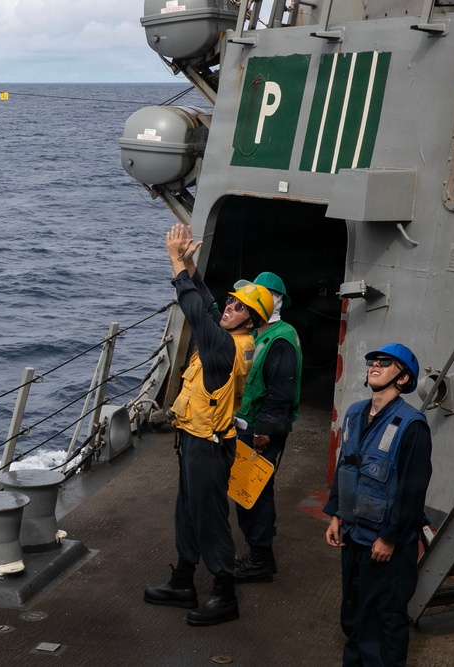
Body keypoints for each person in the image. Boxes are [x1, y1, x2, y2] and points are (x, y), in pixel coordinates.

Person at [143, 223, 272, 626]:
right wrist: (192, 266)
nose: (228, 308)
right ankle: (183, 580)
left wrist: (175, 264)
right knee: (188, 510)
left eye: (238, 307)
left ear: (249, 322)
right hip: (196, 438)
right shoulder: (233, 336)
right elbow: (210, 303)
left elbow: (196, 311)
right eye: (232, 303)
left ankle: (224, 593)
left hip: (208, 446)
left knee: (210, 518)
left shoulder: (222, 346)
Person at [324, 343, 432, 667]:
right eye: (373, 360)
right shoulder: (355, 413)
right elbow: (346, 466)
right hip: (354, 534)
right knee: (354, 611)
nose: (375, 365)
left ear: (402, 379)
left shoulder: (412, 426)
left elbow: (412, 490)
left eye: (386, 363)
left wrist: (390, 537)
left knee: (384, 619)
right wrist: (335, 516)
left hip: (387, 544)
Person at [231, 272, 302, 583]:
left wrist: (264, 432)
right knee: (248, 491)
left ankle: (261, 560)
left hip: (261, 431)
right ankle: (258, 554)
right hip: (250, 426)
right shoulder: (262, 332)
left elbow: (280, 392)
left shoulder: (281, 338)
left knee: (254, 492)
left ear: (275, 300)